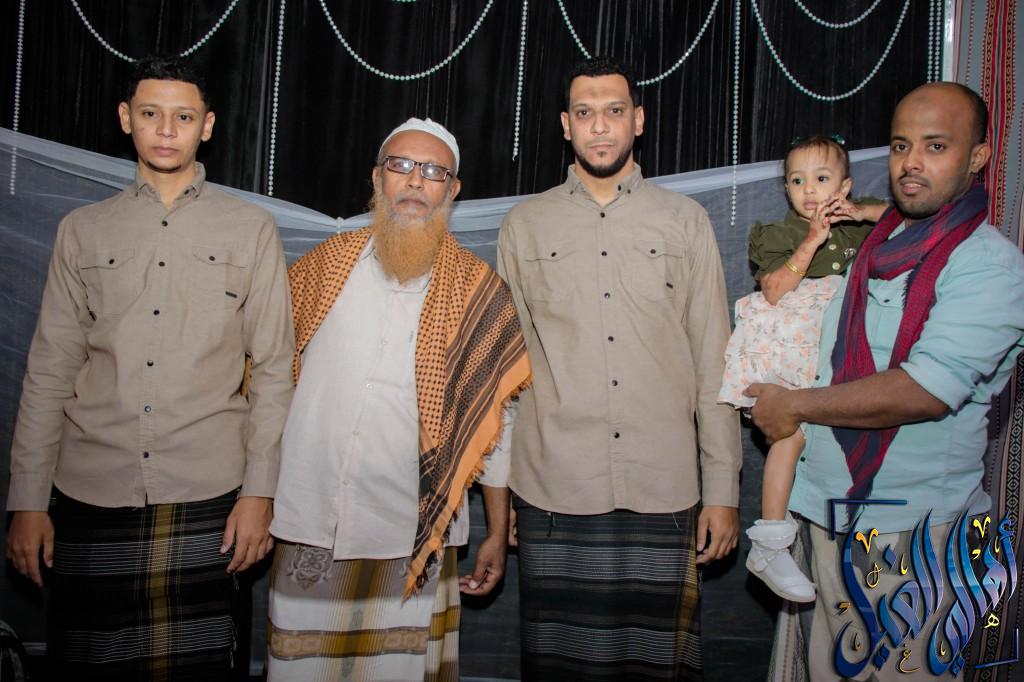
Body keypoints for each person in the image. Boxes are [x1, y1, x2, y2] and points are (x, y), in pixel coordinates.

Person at [5, 55, 295, 680]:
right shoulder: (82, 231)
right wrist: (27, 499)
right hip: (89, 489)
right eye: (151, 113)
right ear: (125, 118)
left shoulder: (251, 230)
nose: (167, 129)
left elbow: (275, 369)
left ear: (207, 126)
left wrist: (260, 493)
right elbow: (49, 369)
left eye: (183, 117)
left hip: (209, 492)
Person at [750, 82, 1024, 681]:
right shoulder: (880, 240)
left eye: (936, 146)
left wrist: (793, 406)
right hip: (828, 513)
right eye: (901, 146)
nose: (911, 163)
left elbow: (924, 391)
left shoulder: (988, 266)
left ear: (977, 157)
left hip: (912, 533)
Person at [498, 56, 741, 680]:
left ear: (638, 120)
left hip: (664, 486)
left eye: (613, 111)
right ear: (566, 126)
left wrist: (722, 491)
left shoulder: (685, 221)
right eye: (585, 113)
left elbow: (715, 361)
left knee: (657, 666)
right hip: (554, 488)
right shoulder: (525, 225)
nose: (600, 126)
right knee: (559, 667)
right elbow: (507, 371)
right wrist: (509, 495)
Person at [266, 118, 530, 681]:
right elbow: (268, 384)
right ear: (377, 178)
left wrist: (498, 529)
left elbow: (495, 425)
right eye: (401, 165)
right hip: (312, 514)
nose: (415, 181)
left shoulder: (479, 292)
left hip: (416, 528)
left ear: (453, 190)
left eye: (433, 171)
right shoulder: (320, 268)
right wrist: (254, 492)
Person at [718, 135, 886, 603]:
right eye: (797, 180)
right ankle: (770, 542)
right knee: (790, 437)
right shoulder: (779, 233)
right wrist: (812, 240)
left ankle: (859, 535)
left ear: (845, 186)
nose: (809, 189)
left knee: (859, 434)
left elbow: (908, 221)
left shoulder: (857, 225)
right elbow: (774, 290)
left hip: (841, 343)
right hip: (791, 342)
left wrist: (859, 211)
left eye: (822, 178)